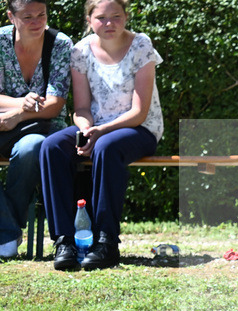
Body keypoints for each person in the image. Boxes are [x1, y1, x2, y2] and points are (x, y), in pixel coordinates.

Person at [39, 0, 163, 271]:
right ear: (89, 20)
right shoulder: (80, 51)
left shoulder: (141, 45)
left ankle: (106, 242)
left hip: (139, 129)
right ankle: (65, 240)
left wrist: (100, 132)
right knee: (51, 146)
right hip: (98, 128)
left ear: (126, 17)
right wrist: (85, 131)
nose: (109, 24)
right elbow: (82, 108)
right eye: (101, 17)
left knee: (105, 146)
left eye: (116, 16)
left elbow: (140, 112)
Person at [0, 0, 71, 260]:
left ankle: (7, 231)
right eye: (28, 16)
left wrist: (19, 114)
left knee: (32, 148)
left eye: (41, 14)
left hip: (42, 127)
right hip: (2, 126)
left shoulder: (61, 43)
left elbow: (55, 104)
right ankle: (7, 232)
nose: (37, 22)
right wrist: (23, 102)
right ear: (11, 16)